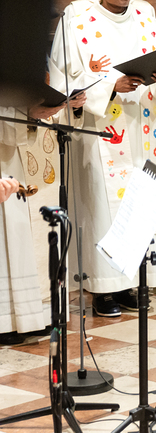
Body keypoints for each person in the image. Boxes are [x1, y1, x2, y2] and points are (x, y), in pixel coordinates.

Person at [48, 0, 156, 317]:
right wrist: (110, 86)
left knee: (140, 201)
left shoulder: (146, 17)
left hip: (142, 124)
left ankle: (134, 282)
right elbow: (63, 77)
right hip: (101, 130)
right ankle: (103, 288)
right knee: (103, 208)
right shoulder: (77, 20)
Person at [1, 100, 78, 342]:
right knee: (13, 229)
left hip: (41, 135)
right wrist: (23, 112)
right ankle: (7, 321)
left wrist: (69, 102)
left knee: (39, 230)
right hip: (6, 150)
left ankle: (38, 315)